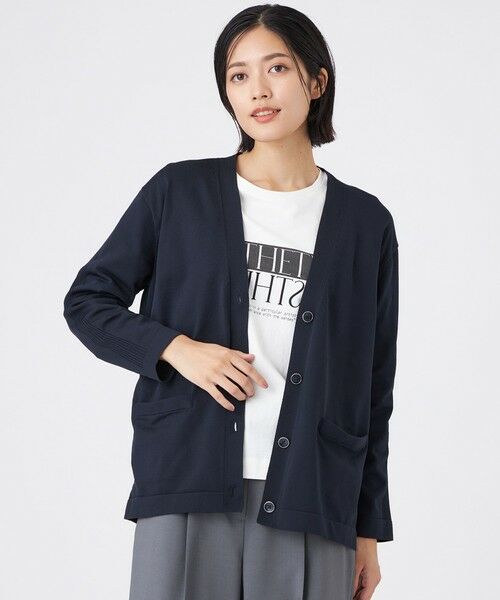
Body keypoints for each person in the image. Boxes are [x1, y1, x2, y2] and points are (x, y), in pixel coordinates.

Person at [63, 5, 399, 600]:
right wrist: (177, 349)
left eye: (278, 68)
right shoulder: (179, 192)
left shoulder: (365, 223)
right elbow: (88, 301)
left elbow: (373, 385)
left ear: (316, 82)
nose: (258, 90)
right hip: (188, 478)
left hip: (314, 493)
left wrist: (368, 529)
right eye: (239, 75)